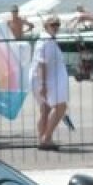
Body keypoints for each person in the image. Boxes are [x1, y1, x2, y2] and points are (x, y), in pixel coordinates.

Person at [32, 15, 69, 149]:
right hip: (47, 80)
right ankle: (46, 138)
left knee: (46, 109)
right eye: (52, 25)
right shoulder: (46, 41)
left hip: (48, 79)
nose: (56, 27)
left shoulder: (47, 39)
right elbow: (42, 63)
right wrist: (43, 84)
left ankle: (43, 140)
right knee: (61, 107)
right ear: (46, 26)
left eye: (57, 25)